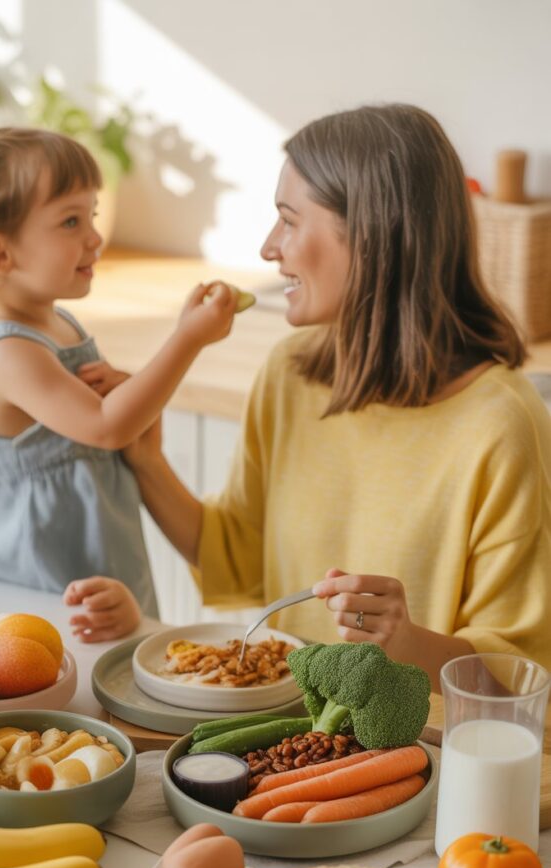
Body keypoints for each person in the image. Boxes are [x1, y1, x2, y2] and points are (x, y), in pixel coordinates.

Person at [123, 103, 551, 688]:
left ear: (372, 238)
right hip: (286, 729)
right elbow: (238, 557)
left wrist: (405, 643)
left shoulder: (502, 424)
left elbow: (521, 679)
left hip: (421, 741)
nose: (269, 248)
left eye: (289, 221)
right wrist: (145, 460)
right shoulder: (289, 373)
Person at [0, 127, 240, 641]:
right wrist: (189, 338)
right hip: (27, 607)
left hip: (94, 584)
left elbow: (108, 418)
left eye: (92, 214)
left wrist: (125, 389)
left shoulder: (60, 325)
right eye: (71, 221)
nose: (94, 237)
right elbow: (107, 427)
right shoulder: (8, 353)